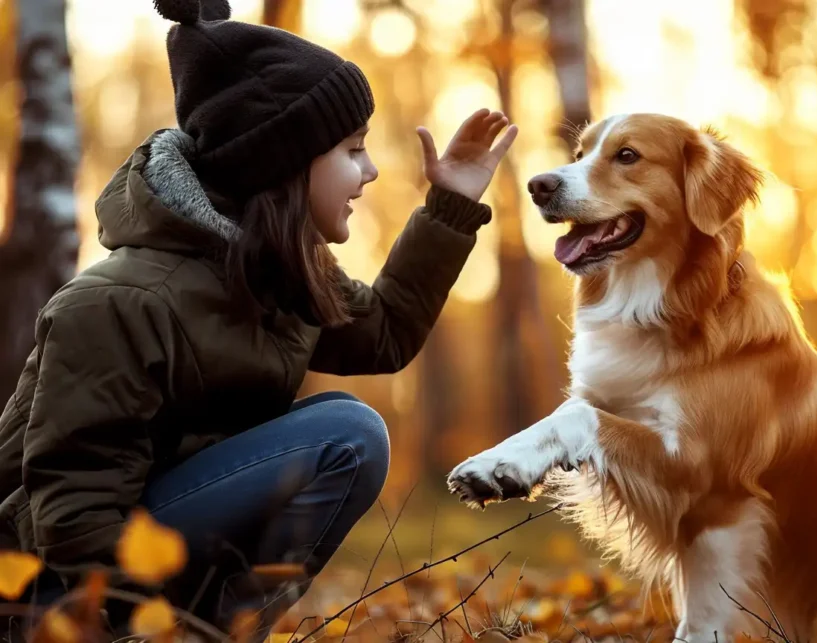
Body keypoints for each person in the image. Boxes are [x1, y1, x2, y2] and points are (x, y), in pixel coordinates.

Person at [0, 0, 517, 638]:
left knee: (347, 436)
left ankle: (221, 632)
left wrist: (450, 206)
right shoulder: (121, 302)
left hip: (148, 554)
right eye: (352, 150)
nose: (370, 171)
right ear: (284, 165)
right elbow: (74, 515)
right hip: (55, 589)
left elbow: (383, 332)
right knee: (346, 433)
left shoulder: (278, 276)